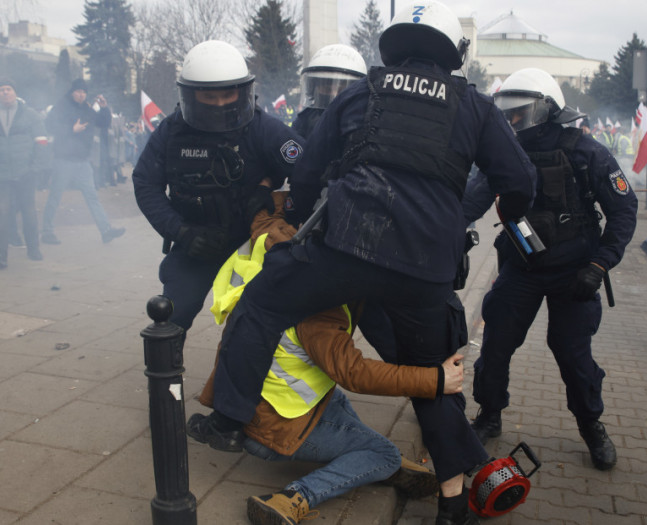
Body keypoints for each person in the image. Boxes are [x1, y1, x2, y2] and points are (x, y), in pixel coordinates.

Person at [197, 4, 536, 524]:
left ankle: (228, 419)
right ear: (455, 52)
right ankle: (453, 508)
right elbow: (518, 182)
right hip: (425, 272)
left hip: (348, 250)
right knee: (431, 377)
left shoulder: (364, 90)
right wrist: (508, 216)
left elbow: (309, 170)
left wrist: (307, 219)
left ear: (394, 45)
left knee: (262, 302)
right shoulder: (474, 105)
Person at [190, 194, 454, 524]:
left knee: (338, 402)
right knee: (383, 452)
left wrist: (271, 189)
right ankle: (294, 498)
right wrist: (436, 380)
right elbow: (355, 373)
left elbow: (264, 218)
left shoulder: (282, 243)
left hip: (244, 397)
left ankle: (370, 456)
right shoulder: (320, 305)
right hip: (270, 428)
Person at [465, 68, 637, 471]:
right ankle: (489, 414)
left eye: (520, 114)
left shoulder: (586, 151)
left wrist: (599, 264)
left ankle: (591, 424)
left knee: (573, 354)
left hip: (576, 273)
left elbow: (624, 210)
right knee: (495, 347)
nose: (512, 122)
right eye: (506, 113)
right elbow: (469, 202)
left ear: (547, 110)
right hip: (522, 266)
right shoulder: (500, 151)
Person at [132, 40, 304, 331]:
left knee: (255, 320)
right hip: (195, 241)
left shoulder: (263, 128)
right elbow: (145, 184)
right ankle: (165, 377)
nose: (221, 103)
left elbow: (307, 169)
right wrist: (180, 232)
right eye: (210, 97)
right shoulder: (171, 132)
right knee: (171, 316)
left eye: (228, 94)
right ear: (191, 94)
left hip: (250, 242)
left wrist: (268, 188)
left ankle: (241, 373)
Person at [0, 78, 49, 268]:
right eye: (1, 90)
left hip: (26, 173)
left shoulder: (30, 115)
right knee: (2, 212)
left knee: (29, 211)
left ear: (15, 93)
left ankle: (33, 249)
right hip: (0, 174)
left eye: (9, 89)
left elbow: (42, 142)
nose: (5, 92)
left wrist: (36, 168)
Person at [41, 79, 125, 246]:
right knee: (55, 196)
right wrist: (71, 130)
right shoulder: (62, 106)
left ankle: (106, 230)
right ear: (72, 92)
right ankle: (47, 232)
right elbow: (49, 125)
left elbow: (103, 123)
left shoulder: (87, 108)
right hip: (63, 159)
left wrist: (104, 108)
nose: (81, 95)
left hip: (82, 161)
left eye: (84, 92)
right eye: (78, 91)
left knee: (92, 196)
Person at [292, 44, 367, 140]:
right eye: (327, 89)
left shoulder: (366, 122)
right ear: (313, 89)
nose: (334, 95)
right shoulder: (304, 121)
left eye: (342, 90)